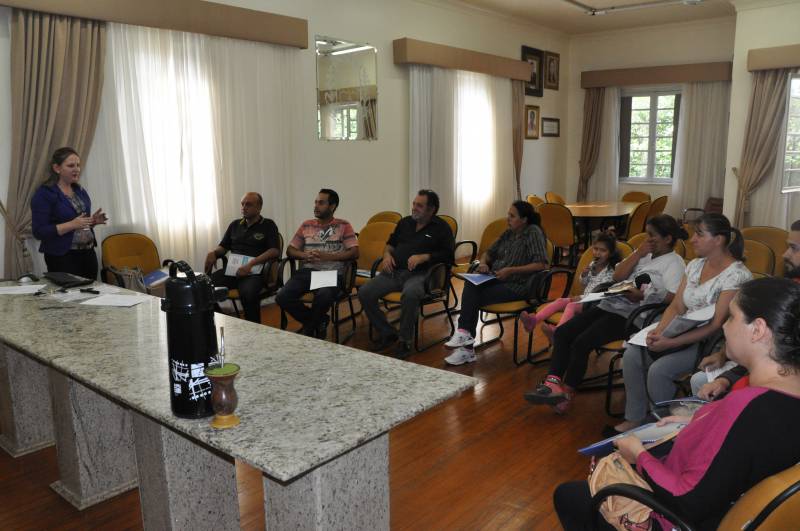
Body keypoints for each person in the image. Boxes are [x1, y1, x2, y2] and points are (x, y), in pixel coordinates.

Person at [553, 277, 800, 531]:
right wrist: (696, 420)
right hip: (730, 507)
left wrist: (639, 454)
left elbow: (686, 498)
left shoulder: (747, 405)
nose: (724, 328)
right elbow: (742, 441)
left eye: (731, 318)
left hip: (682, 519)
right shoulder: (783, 397)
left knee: (570, 496)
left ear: (757, 330)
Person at [524, 214, 687, 414]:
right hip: (612, 304)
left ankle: (566, 394)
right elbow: (618, 276)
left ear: (667, 239)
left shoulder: (674, 263)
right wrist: (637, 254)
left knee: (581, 342)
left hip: (634, 316)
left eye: (652, 235)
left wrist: (642, 295)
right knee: (563, 332)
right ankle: (552, 384)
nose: (647, 239)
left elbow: (673, 298)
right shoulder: (644, 254)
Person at [610, 213, 751, 436]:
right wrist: (659, 331)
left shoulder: (737, 275)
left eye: (699, 234)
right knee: (633, 354)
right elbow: (676, 306)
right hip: (681, 330)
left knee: (659, 370)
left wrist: (668, 342)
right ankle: (635, 418)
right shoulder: (695, 265)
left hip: (710, 342)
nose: (692, 239)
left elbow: (715, 324)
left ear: (719, 240)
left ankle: (666, 428)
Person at [693, 218, 800, 400]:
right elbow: (764, 345)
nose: (784, 254)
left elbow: (771, 352)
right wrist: (725, 373)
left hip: (773, 387)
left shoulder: (791, 298)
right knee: (702, 383)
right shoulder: (792, 285)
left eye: (794, 248)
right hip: (761, 370)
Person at [443, 201, 549, 366]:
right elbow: (488, 253)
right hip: (497, 279)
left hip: (519, 286)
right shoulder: (509, 233)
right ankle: (464, 337)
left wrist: (511, 270)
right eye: (508, 215)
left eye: (512, 216)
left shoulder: (532, 232)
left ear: (525, 219)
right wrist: (484, 263)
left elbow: (541, 264)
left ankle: (466, 346)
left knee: (473, 296)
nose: (508, 219)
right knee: (471, 283)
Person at [358, 190, 455, 359]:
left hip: (423, 274)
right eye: (414, 204)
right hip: (395, 272)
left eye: (419, 205)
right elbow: (390, 244)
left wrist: (425, 256)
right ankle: (387, 332)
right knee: (365, 292)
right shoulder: (405, 223)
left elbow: (448, 256)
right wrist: (387, 255)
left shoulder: (441, 228)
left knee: (410, 294)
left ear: (431, 209)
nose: (414, 208)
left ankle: (405, 340)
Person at [276, 189, 358, 338]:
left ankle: (309, 331)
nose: (316, 206)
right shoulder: (307, 225)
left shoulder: (344, 225)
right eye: (315, 202)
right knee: (282, 296)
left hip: (331, 274)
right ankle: (318, 321)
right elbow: (290, 250)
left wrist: (328, 257)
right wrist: (304, 255)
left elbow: (354, 253)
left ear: (332, 206)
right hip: (308, 272)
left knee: (324, 295)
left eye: (321, 203)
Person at [518, 232, 620, 342]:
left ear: (611, 253)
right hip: (584, 299)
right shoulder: (592, 264)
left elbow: (602, 292)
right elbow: (584, 283)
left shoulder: (612, 271)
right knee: (560, 301)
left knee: (571, 306)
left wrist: (582, 298)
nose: (598, 253)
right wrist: (584, 275)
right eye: (595, 249)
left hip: (594, 305)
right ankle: (533, 321)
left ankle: (557, 333)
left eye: (603, 250)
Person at [31, 147, 108, 279]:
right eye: (71, 165)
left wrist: (92, 222)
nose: (77, 169)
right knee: (70, 298)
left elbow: (80, 224)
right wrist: (72, 224)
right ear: (57, 168)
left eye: (78, 165)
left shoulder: (79, 190)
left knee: (90, 296)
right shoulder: (44, 194)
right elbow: (39, 232)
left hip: (88, 254)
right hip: (62, 257)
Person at [205, 192, 280, 324]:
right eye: (243, 204)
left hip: (253, 272)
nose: (244, 207)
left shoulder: (268, 225)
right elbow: (223, 246)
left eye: (248, 204)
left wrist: (251, 264)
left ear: (259, 207)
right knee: (204, 287)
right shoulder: (235, 225)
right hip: (232, 270)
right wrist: (213, 252)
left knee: (248, 295)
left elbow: (274, 251)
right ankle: (221, 320)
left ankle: (253, 330)